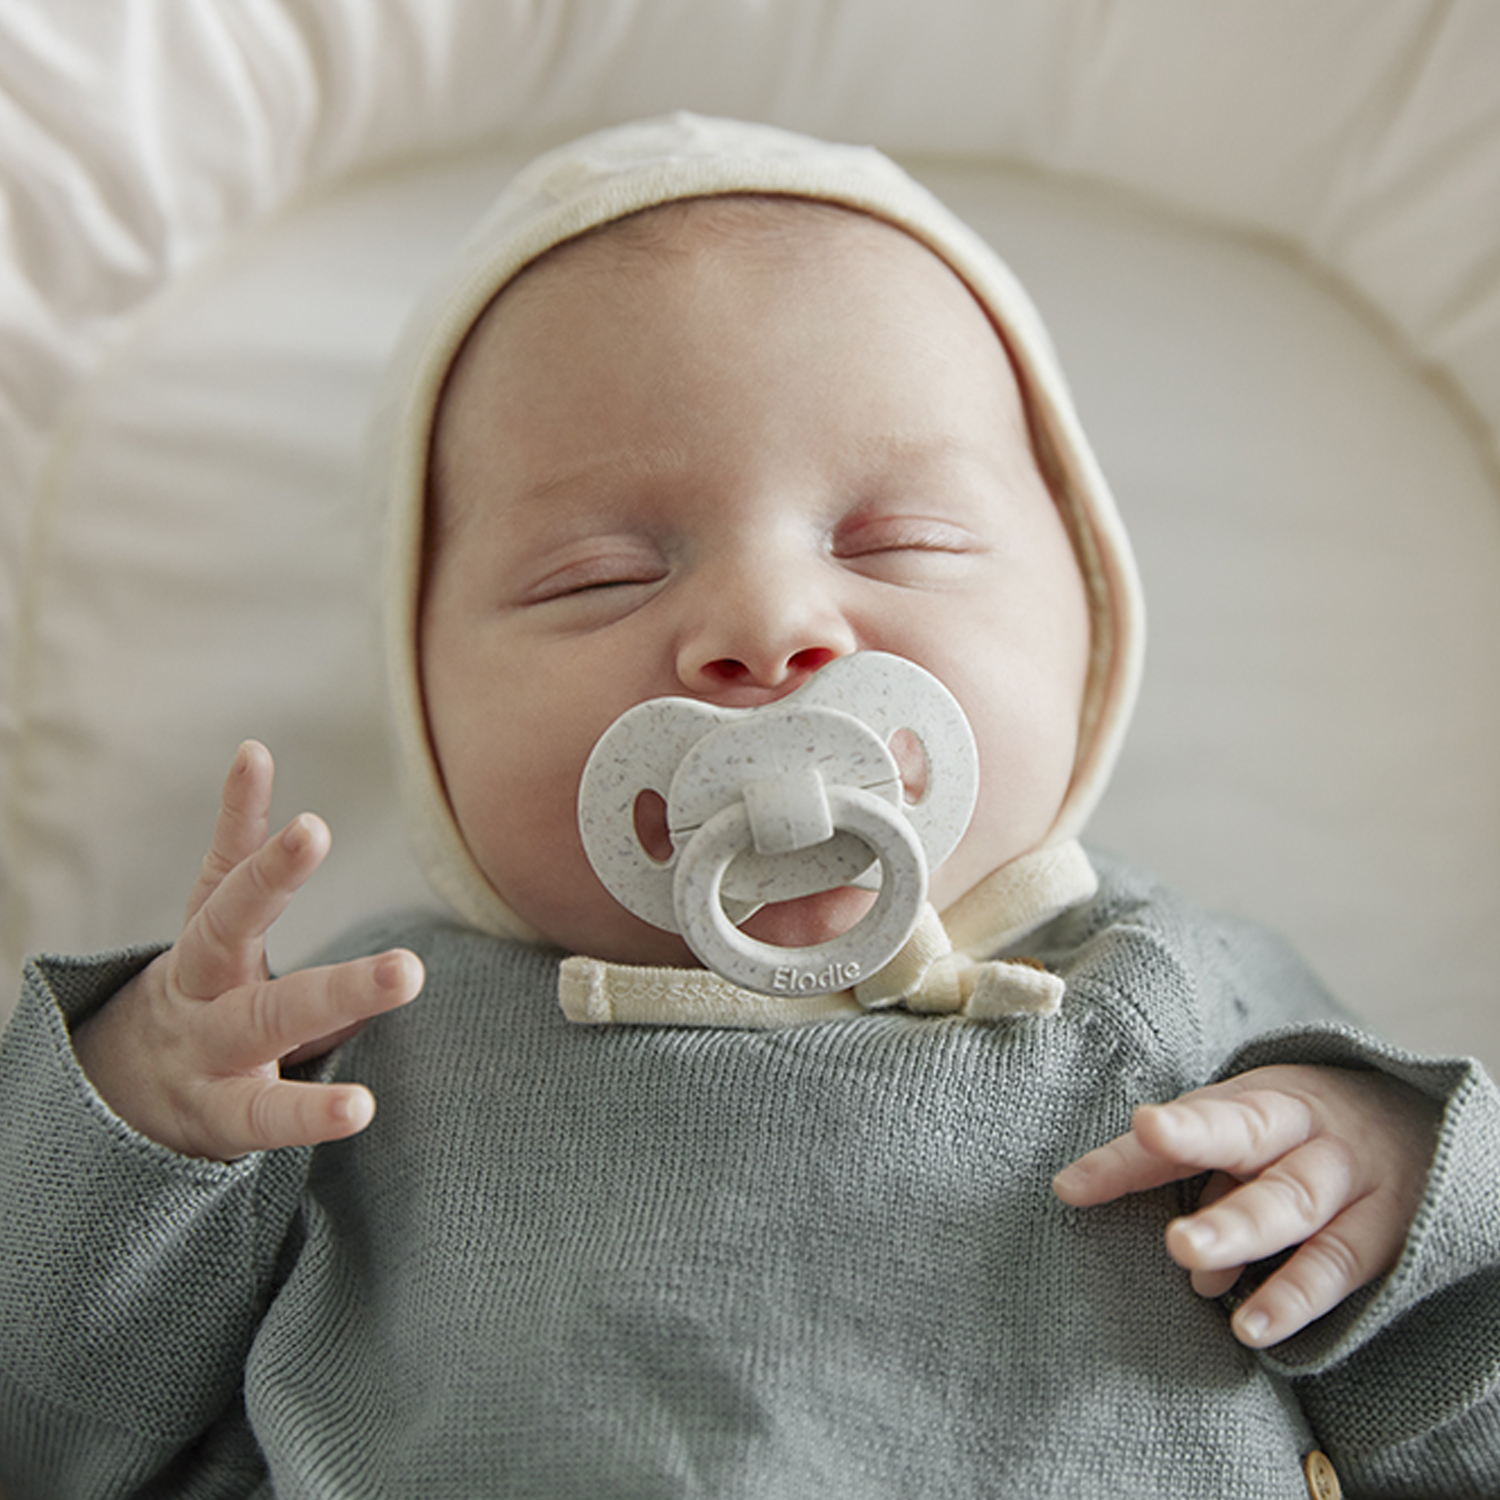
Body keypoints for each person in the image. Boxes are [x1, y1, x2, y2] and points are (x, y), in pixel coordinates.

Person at [2, 114, 1497, 1499]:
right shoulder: (351, 1060)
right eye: (600, 575)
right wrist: (133, 1124)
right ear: (426, 705)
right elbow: (48, 1431)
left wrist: (1402, 1191)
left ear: (1090, 633)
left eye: (896, 541)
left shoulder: (1184, 1003)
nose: (770, 628)